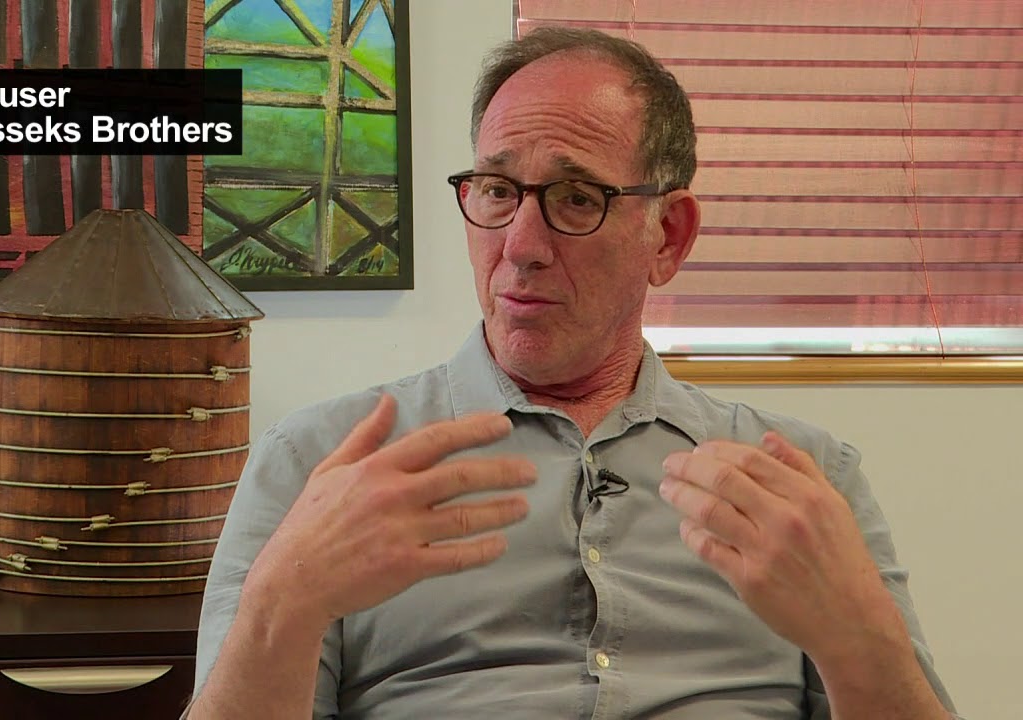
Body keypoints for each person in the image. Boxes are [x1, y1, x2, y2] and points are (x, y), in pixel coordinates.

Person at [183, 26, 961, 719]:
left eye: (577, 198)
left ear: (668, 236)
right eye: (497, 191)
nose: (520, 245)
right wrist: (282, 606)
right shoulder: (321, 463)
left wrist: (860, 638)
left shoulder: (802, 484)